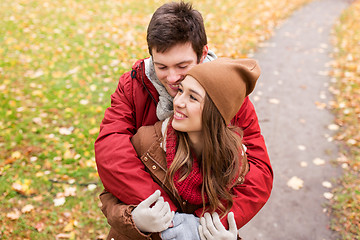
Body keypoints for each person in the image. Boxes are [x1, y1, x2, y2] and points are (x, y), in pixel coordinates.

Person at [95, 1, 273, 238]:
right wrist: (168, 216)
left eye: (182, 66)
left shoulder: (226, 93)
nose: (172, 78)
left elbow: (258, 169)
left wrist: (205, 226)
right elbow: (111, 149)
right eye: (161, 67)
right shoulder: (133, 86)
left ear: (203, 53)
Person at [100, 57, 260, 240]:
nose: (177, 102)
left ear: (215, 112)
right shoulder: (148, 142)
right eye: (181, 91)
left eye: (192, 97)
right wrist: (135, 220)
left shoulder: (235, 163)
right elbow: (109, 197)